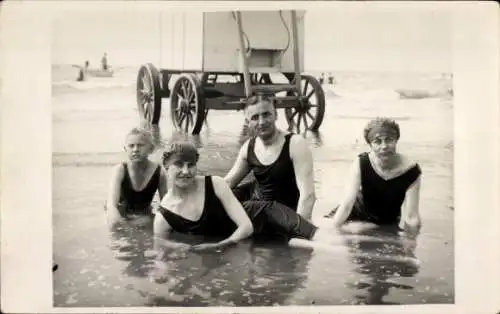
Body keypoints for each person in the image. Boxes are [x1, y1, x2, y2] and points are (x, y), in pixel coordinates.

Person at [153, 141, 324, 253]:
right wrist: (179, 249)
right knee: (288, 246)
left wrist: (218, 246)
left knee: (320, 240)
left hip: (264, 214)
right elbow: (160, 243)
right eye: (178, 165)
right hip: (236, 228)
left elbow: (246, 227)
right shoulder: (163, 216)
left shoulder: (215, 183)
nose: (185, 171)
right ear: (166, 168)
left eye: (191, 165)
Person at [224, 94, 316, 222]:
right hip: (258, 208)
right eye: (255, 117)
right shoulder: (249, 147)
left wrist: (300, 228)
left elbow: (308, 195)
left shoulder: (295, 144)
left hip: (285, 213)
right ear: (248, 122)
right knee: (220, 199)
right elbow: (228, 182)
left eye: (266, 114)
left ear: (276, 115)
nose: (262, 122)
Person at [326, 117, 422, 235]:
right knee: (324, 230)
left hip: (385, 222)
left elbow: (412, 217)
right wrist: (333, 231)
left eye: (389, 140)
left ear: (396, 140)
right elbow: (347, 205)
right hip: (353, 214)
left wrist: (412, 242)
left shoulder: (411, 170)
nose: (384, 146)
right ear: (370, 145)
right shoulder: (362, 163)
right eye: (377, 141)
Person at [105, 127, 168, 230]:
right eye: (131, 146)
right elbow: (111, 206)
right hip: (121, 215)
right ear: (125, 149)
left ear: (151, 149)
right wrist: (123, 226)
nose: (135, 150)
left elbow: (167, 206)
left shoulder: (160, 173)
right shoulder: (120, 170)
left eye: (140, 145)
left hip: (143, 216)